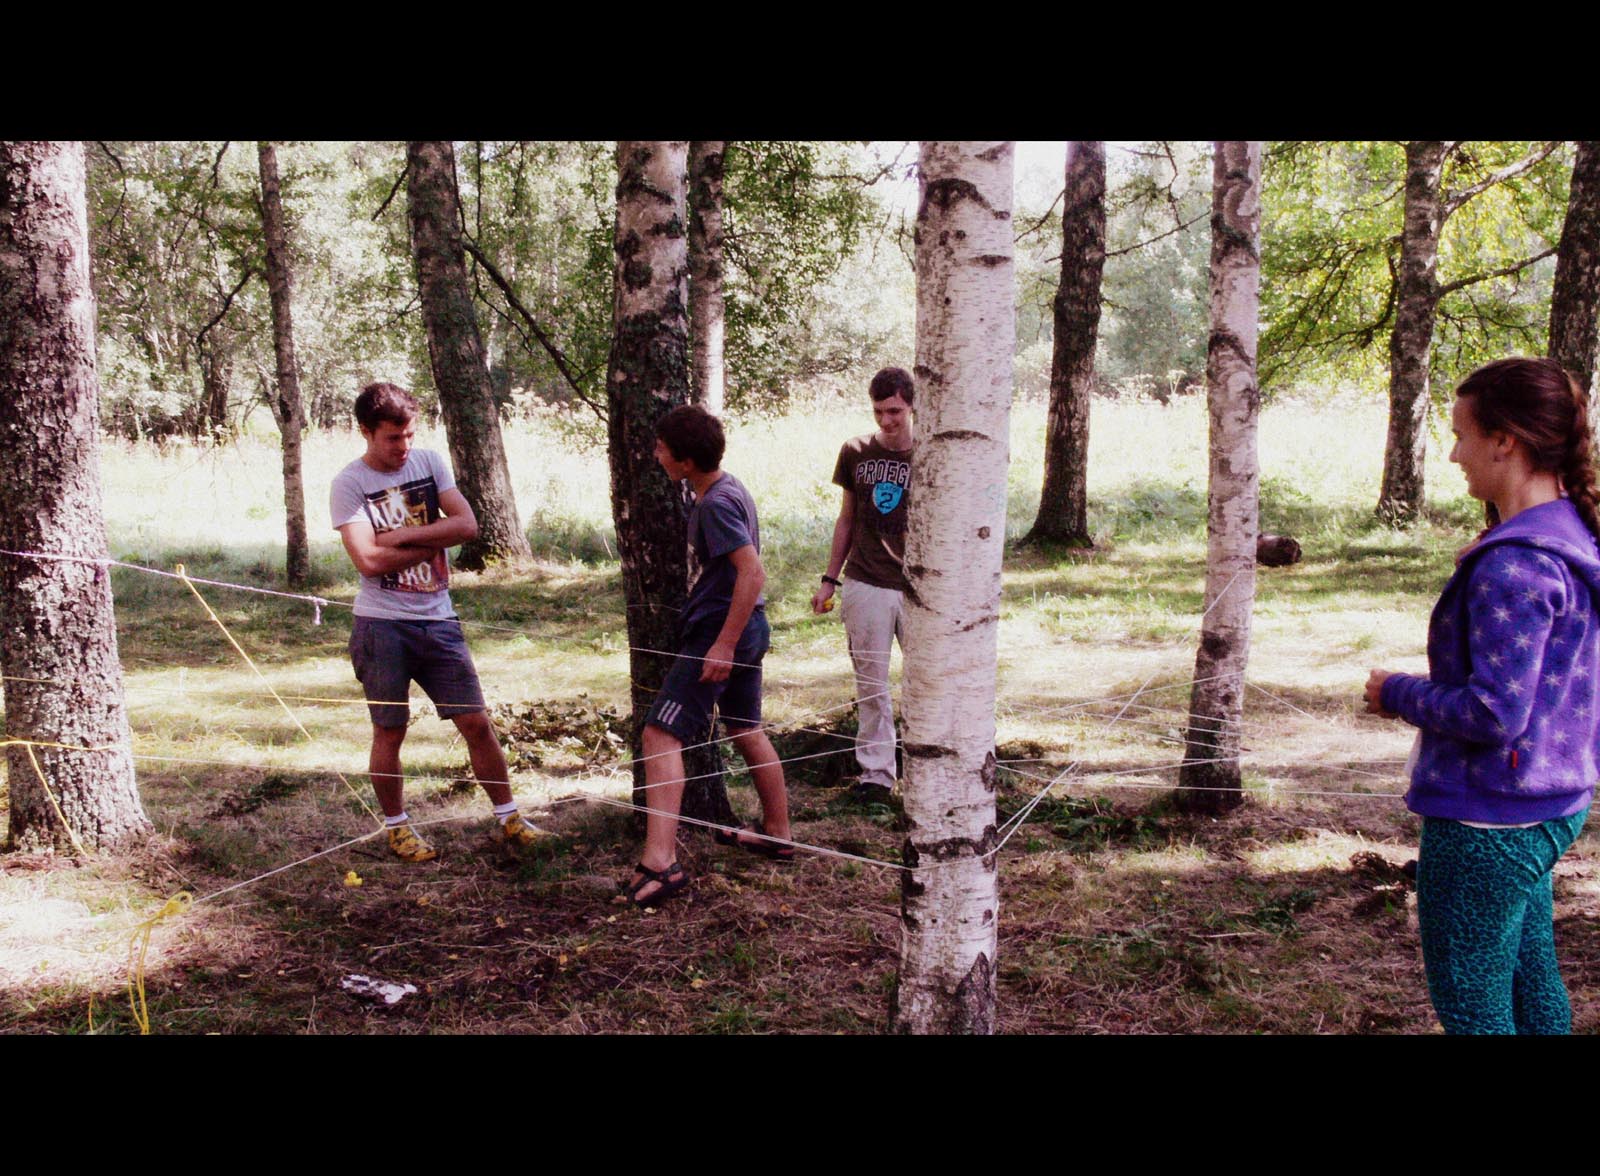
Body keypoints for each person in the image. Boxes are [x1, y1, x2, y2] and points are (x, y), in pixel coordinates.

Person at [1364, 356, 1600, 1034]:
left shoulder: (1516, 563)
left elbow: (1493, 713)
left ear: (1505, 441)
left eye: (1462, 435)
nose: (1454, 454)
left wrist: (1396, 692)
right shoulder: (1568, 534)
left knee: (1473, 1006)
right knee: (1529, 979)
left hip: (1489, 819)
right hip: (1550, 801)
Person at [331, 382, 540, 861]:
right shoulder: (349, 483)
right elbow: (367, 560)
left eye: (409, 435)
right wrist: (431, 545)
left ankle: (510, 818)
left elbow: (468, 525)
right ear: (366, 432)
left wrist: (400, 537)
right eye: (392, 438)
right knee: (390, 729)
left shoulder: (428, 462)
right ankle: (397, 828)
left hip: (439, 619)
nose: (404, 446)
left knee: (476, 722)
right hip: (381, 624)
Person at [625, 404, 792, 907]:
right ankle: (778, 833)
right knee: (745, 728)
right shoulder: (727, 487)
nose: (656, 454)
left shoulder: (716, 504)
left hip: (724, 632)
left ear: (687, 460)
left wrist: (723, 643)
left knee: (659, 734)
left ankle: (660, 863)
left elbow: (752, 573)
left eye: (662, 449)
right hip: (747, 628)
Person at [810, 367, 915, 800]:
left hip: (919, 588)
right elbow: (847, 519)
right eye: (878, 411)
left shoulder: (932, 453)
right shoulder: (855, 452)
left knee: (927, 682)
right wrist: (829, 580)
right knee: (872, 684)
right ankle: (876, 775)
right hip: (866, 582)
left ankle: (929, 767)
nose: (886, 420)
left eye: (894, 411)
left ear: (911, 407)